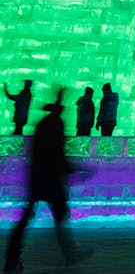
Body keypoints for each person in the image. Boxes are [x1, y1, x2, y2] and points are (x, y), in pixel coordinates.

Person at [3, 90, 92, 273]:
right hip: (49, 179)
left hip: (37, 177)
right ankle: (69, 253)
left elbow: (42, 151)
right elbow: (57, 153)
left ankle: (12, 258)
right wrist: (76, 170)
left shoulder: (43, 123)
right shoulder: (56, 123)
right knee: (59, 216)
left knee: (26, 221)